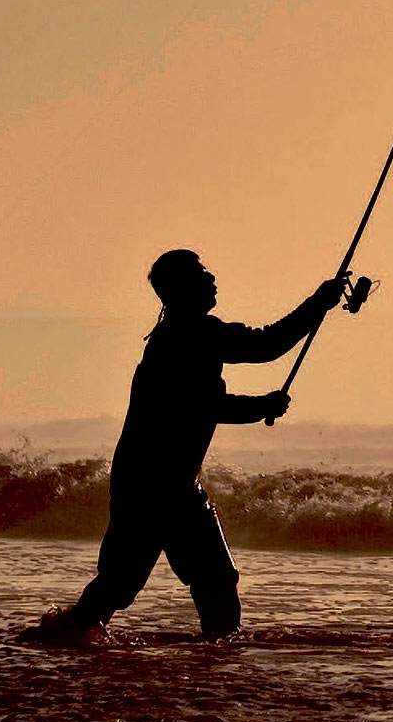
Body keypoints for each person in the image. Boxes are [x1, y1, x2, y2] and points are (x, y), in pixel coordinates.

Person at [29, 249, 345, 645]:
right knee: (122, 583)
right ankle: (59, 639)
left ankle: (216, 654)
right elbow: (244, 367)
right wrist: (318, 304)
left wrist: (319, 305)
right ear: (179, 290)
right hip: (149, 485)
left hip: (176, 486)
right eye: (201, 274)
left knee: (210, 580)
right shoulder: (187, 335)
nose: (212, 278)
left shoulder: (191, 332)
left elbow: (247, 364)